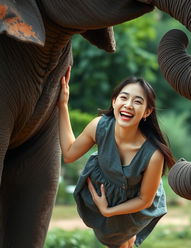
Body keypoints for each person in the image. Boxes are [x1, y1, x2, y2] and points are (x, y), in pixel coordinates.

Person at [58, 66, 175, 248]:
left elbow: (145, 199)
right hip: (108, 196)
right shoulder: (99, 127)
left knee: (122, 244)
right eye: (123, 97)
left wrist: (108, 210)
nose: (128, 105)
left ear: (147, 112)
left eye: (137, 101)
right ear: (114, 102)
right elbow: (69, 153)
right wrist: (63, 105)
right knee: (124, 243)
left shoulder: (154, 154)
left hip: (135, 205)